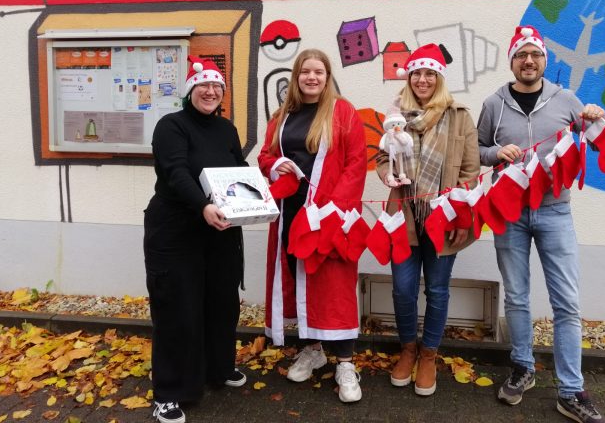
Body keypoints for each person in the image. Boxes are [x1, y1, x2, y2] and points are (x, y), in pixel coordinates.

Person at [477, 26, 605, 423]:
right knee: (517, 296)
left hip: (555, 211)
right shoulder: (493, 104)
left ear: (544, 62)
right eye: (521, 55)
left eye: (535, 54)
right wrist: (498, 151)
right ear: (512, 62)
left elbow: (602, 142)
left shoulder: (565, 99)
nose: (529, 61)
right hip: (509, 212)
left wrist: (597, 117)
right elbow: (478, 150)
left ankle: (571, 390)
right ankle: (523, 368)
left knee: (566, 303)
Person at [258, 48, 367, 403]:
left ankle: (346, 362)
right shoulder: (282, 116)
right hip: (292, 214)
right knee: (300, 278)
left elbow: (355, 163)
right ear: (296, 75)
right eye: (306, 71)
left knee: (334, 283)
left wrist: (334, 209)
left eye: (318, 72)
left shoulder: (343, 112)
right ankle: (313, 349)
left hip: (330, 216)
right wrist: (277, 167)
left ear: (327, 75)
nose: (312, 78)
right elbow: (265, 155)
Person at [144, 57, 247, 423]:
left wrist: (259, 192)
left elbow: (238, 173)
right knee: (178, 308)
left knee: (221, 302)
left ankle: (217, 368)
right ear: (190, 90)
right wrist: (203, 205)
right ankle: (169, 392)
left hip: (219, 229)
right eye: (203, 85)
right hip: (176, 228)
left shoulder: (226, 129)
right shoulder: (170, 126)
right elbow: (175, 172)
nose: (210, 91)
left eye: (217, 86)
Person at [376, 43, 480, 396]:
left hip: (443, 217)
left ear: (439, 77)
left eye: (429, 73)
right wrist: (385, 176)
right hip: (403, 215)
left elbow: (470, 170)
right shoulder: (395, 116)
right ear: (409, 78)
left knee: (437, 290)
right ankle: (407, 349)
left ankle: (429, 355)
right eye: (416, 73)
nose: (422, 79)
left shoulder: (459, 115)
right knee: (403, 290)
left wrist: (463, 212)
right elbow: (380, 157)